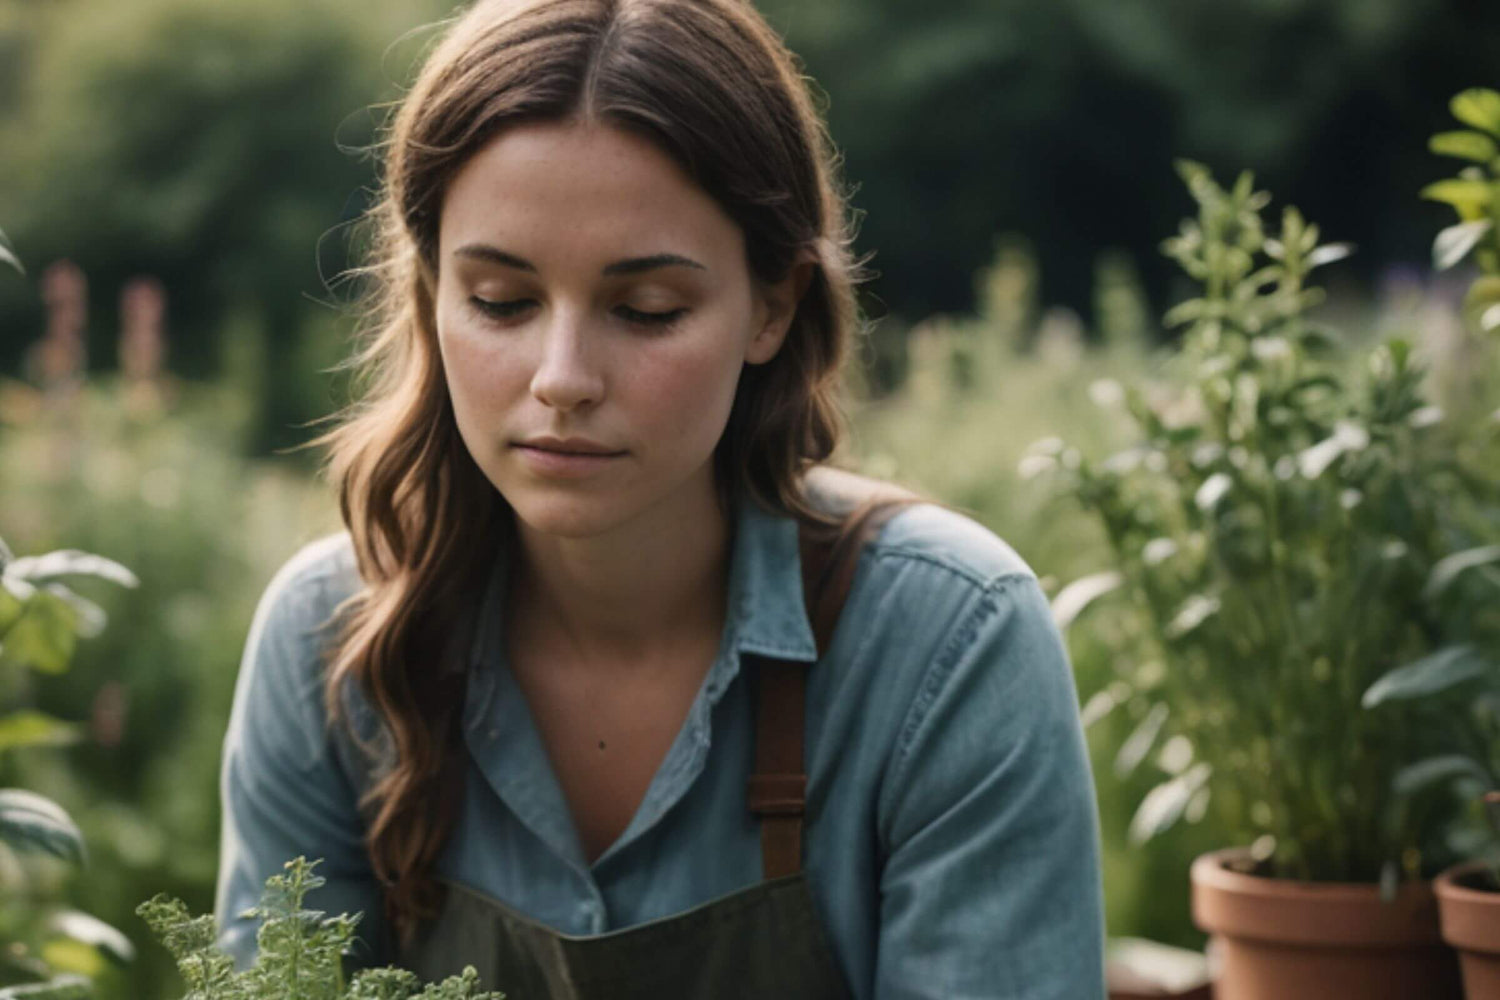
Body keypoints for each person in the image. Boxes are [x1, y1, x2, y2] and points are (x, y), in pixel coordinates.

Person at [213, 0, 1107, 996]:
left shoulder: (950, 643)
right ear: (430, 292)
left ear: (772, 305)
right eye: (501, 301)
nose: (562, 377)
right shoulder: (328, 641)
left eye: (646, 310)